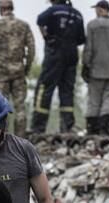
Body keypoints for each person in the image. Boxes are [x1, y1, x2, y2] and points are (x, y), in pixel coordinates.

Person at [31, 0, 86, 133]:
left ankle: (38, 127)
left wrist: (47, 37)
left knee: (44, 88)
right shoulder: (78, 14)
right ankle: (67, 126)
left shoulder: (53, 10)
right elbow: (81, 39)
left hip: (55, 53)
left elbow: (39, 20)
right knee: (67, 90)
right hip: (72, 54)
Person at [0, 0, 35, 137]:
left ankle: (2, 138)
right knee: (20, 107)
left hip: (1, 73)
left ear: (1, 9)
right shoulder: (23, 26)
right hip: (19, 71)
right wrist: (27, 67)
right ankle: (20, 139)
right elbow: (31, 49)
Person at [82, 0, 109, 135]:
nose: (95, 11)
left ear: (101, 9)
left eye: (96, 9)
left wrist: (85, 65)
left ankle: (92, 128)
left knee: (94, 98)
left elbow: (88, 48)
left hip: (96, 69)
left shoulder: (92, 25)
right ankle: (104, 126)